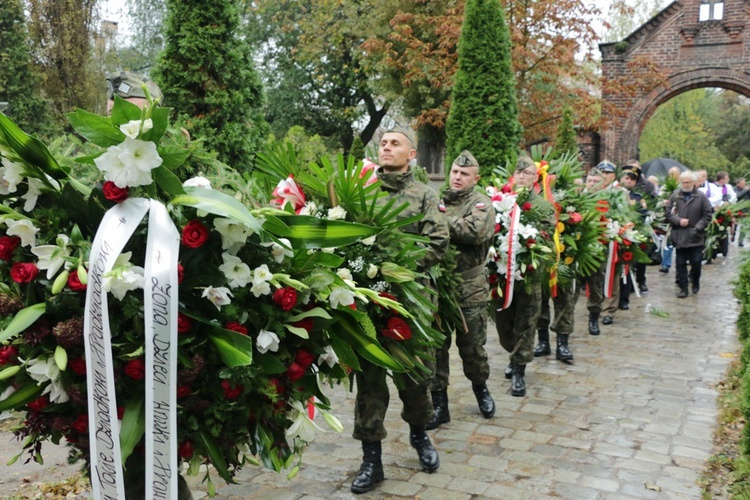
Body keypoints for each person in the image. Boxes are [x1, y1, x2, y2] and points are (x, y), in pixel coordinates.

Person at [350, 127, 449, 494]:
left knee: (415, 379)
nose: (387, 147)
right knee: (370, 383)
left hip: (412, 303)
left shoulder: (425, 195)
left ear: (412, 154)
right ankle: (371, 459)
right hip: (370, 303)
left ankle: (420, 435)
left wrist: (397, 269)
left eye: (395, 143)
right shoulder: (361, 192)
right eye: (384, 143)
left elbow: (439, 241)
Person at [427, 150, 495, 430]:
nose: (457, 177)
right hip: (438, 287)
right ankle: (439, 404)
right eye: (454, 172)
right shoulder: (437, 200)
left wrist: (438, 219)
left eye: (464, 174)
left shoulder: (482, 204)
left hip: (469, 288)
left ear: (475, 178)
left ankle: (481, 389)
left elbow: (473, 232)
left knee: (472, 349)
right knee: (435, 348)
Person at [495, 156, 555, 397]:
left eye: (527, 173)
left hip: (529, 275)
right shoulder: (501, 200)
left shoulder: (542, 206)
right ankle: (513, 352)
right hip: (501, 275)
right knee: (503, 324)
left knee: (527, 322)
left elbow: (547, 236)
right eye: (518, 172)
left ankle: (519, 370)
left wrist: (524, 243)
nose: (521, 176)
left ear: (534, 178)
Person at [665, 171, 713, 298]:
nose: (685, 185)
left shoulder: (701, 197)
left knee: (696, 262)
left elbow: (707, 214)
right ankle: (684, 288)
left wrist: (697, 228)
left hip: (695, 236)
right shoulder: (675, 196)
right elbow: (668, 213)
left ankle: (695, 280)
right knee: (680, 263)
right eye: (683, 182)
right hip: (679, 235)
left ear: (693, 183)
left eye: (688, 182)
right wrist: (678, 221)